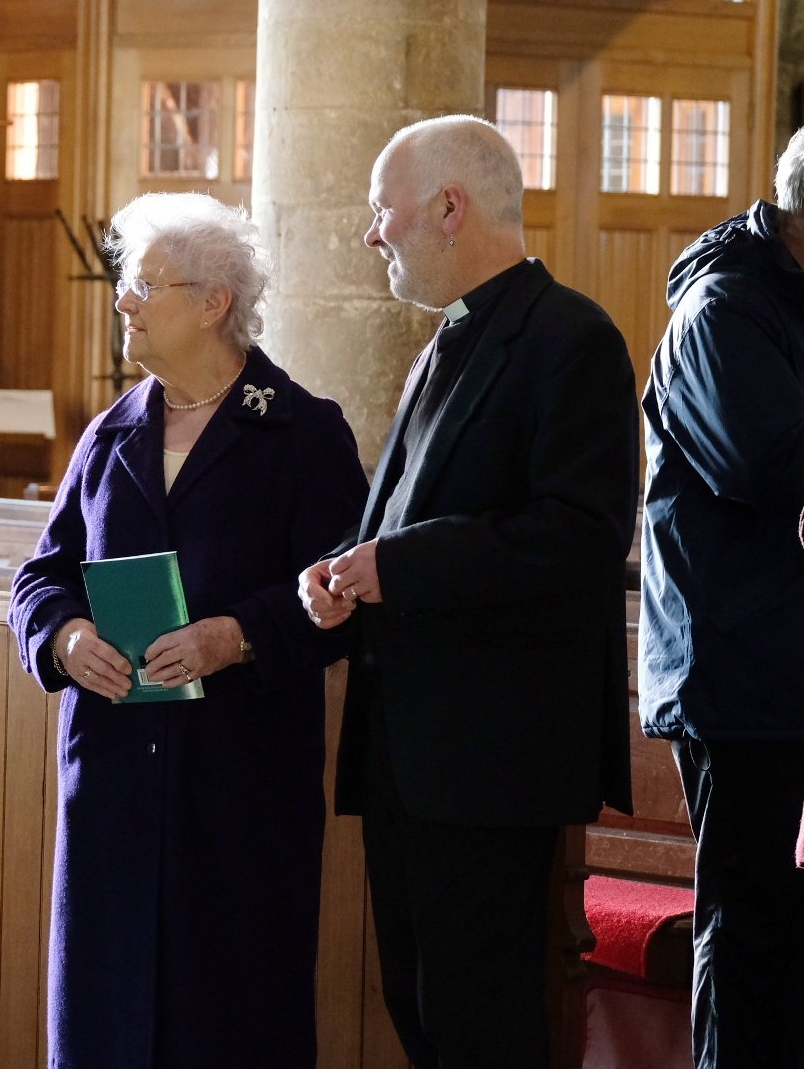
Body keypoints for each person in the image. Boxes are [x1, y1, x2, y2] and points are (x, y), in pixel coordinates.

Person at [298, 115, 637, 1069]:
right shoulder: (443, 343)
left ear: (451, 208)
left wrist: (393, 570)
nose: (373, 233)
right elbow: (397, 518)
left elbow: (581, 534)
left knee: (478, 1019)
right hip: (410, 745)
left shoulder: (571, 338)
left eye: (383, 211)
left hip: (496, 752)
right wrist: (337, 570)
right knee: (417, 1004)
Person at [9, 193, 368, 1068]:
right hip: (115, 785)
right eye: (125, 283)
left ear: (213, 303)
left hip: (238, 786)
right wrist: (62, 639)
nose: (122, 300)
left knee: (230, 1021)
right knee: (106, 1020)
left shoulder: (301, 431)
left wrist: (233, 636)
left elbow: (342, 597)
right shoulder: (111, 433)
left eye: (142, 284)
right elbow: (40, 578)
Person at [644, 121, 804, 1069]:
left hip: (793, 669)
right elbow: (776, 469)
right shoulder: (722, 310)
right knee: (751, 938)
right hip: (743, 681)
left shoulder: (794, 297)